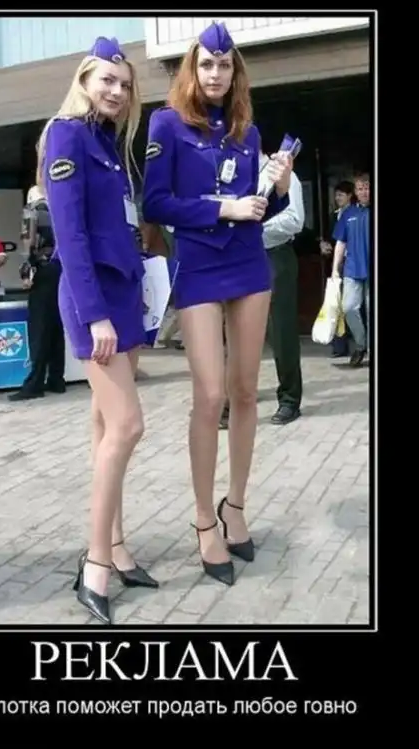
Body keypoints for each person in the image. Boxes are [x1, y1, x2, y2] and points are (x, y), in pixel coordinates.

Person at [142, 21, 292, 587]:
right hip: (200, 264)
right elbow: (156, 202)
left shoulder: (248, 132)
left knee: (246, 391)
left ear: (235, 72)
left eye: (224, 65)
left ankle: (236, 506)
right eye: (206, 64)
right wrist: (221, 209)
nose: (214, 73)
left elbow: (260, 207)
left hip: (248, 262)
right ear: (192, 67)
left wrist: (278, 188)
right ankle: (204, 518)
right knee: (210, 396)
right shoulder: (166, 123)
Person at [36, 36, 158, 625]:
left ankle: (118, 546)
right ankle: (95, 564)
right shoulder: (65, 135)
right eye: (106, 80)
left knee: (107, 425)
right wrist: (96, 314)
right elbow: (71, 234)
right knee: (128, 425)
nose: (116, 90)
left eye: (125, 84)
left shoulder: (107, 142)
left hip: (124, 294)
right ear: (84, 80)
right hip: (96, 301)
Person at [8, 185, 66, 401]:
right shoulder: (58, 211)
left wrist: (26, 271)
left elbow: (28, 244)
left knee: (39, 328)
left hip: (41, 271)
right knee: (55, 327)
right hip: (59, 270)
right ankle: (56, 379)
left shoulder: (31, 212)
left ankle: (34, 384)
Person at [260, 149, 305, 424]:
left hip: (275, 255)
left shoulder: (280, 173)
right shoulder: (231, 175)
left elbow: (294, 220)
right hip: (240, 258)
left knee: (282, 332)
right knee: (234, 331)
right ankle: (231, 401)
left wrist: (254, 229)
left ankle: (289, 399)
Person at [331, 173, 370, 367]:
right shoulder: (348, 213)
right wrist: (335, 269)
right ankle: (361, 345)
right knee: (348, 307)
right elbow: (341, 242)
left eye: (367, 188)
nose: (364, 192)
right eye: (360, 189)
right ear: (355, 192)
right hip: (353, 268)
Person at [319, 180, 354, 358]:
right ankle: (339, 345)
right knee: (336, 303)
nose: (337, 198)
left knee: (350, 304)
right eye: (336, 195)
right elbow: (329, 237)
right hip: (336, 263)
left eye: (341, 195)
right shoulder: (334, 216)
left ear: (350, 196)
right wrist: (324, 244)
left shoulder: (354, 214)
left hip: (351, 262)